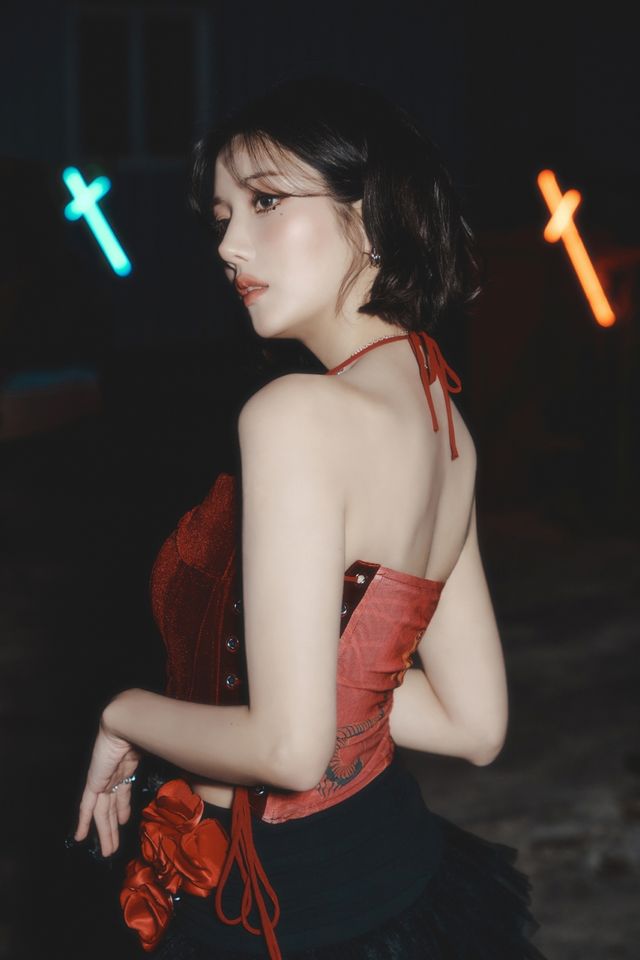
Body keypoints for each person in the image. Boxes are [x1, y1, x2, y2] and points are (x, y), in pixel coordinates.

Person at [72, 74, 548, 958]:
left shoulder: (294, 414)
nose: (229, 245)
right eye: (222, 216)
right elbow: (474, 724)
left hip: (277, 908)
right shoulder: (443, 416)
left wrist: (124, 713)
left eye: (264, 201)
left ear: (370, 215)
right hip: (391, 872)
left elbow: (290, 751)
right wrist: (333, 691)